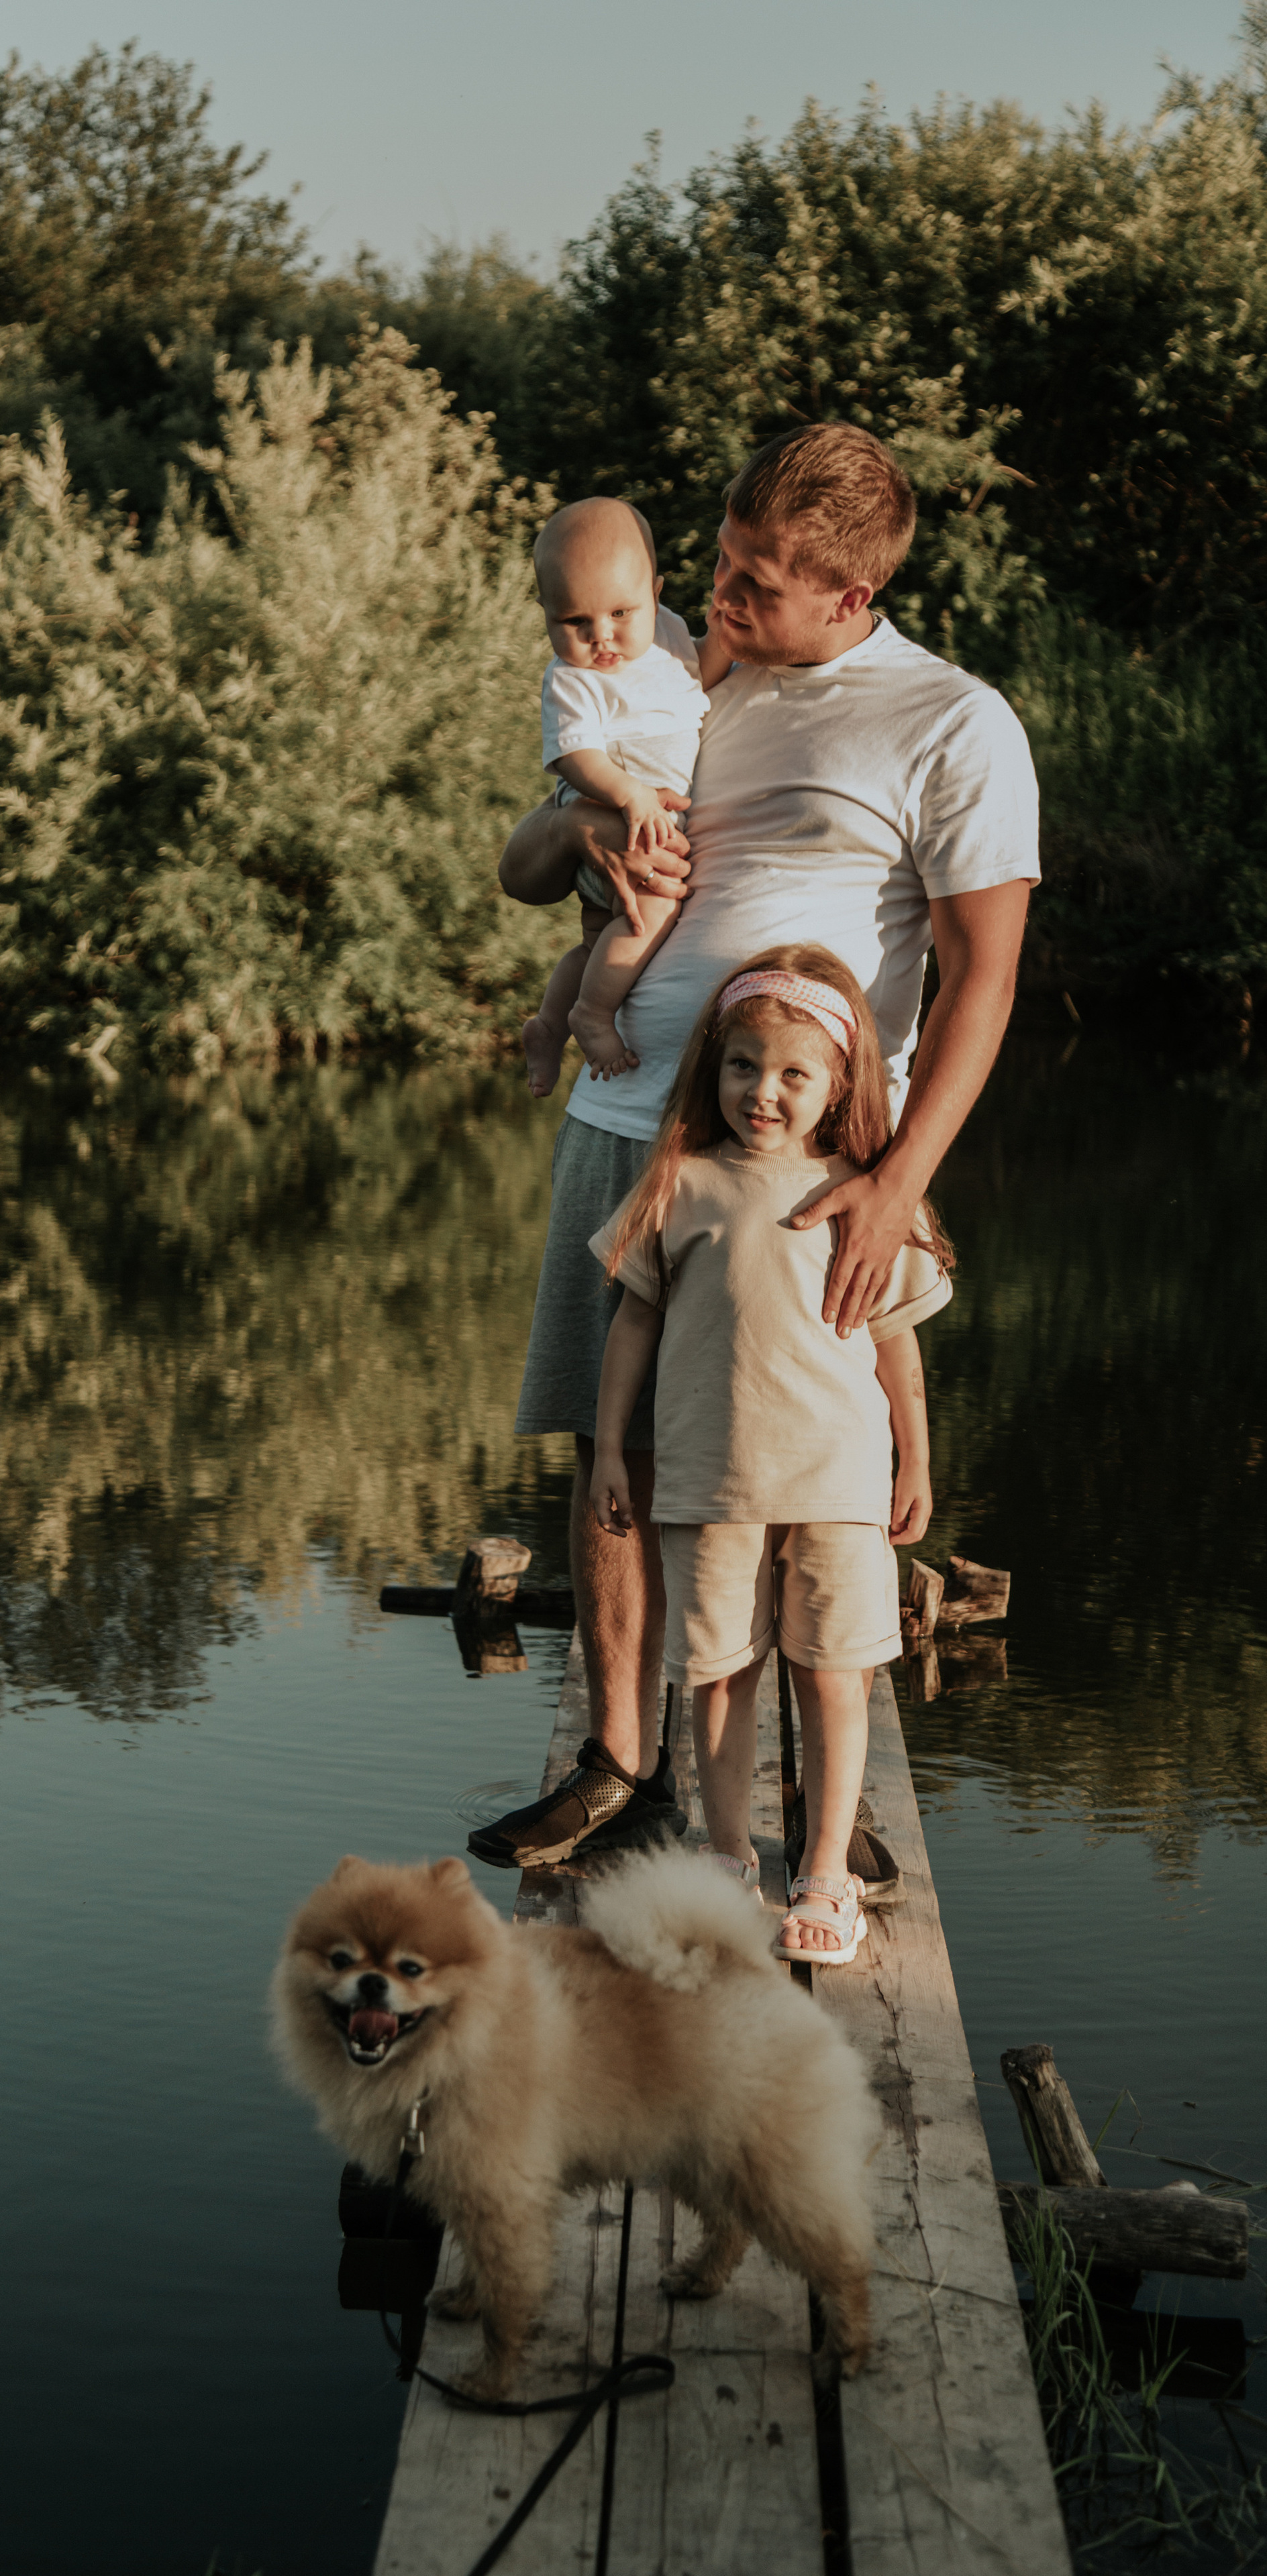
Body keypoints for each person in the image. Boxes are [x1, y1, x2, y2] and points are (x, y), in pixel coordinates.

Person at [468, 423, 1039, 1931]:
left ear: (849, 595)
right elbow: (527, 870)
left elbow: (983, 980)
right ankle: (617, 1763)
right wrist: (587, 814)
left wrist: (898, 1174)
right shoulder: (664, 672)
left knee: (796, 1477)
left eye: (756, 586)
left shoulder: (947, 723)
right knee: (613, 1457)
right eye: (717, 562)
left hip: (807, 1167)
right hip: (626, 1126)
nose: (714, 597)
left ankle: (811, 1818)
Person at [587, 947, 950, 1962]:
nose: (764, 1091)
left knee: (834, 1674)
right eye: (743, 1065)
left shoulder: (872, 1194)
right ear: (715, 1068)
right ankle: (725, 1855)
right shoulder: (682, 1182)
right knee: (718, 1671)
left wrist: (914, 1462)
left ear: (839, 1085)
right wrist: (614, 1449)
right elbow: (631, 1326)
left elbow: (897, 1346)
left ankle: (826, 1871)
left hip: (838, 1481)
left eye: (794, 1073)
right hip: (710, 1481)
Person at [521, 498, 731, 1096]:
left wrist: (722, 639)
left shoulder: (663, 633)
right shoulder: (572, 679)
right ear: (547, 615)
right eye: (575, 623)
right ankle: (593, 1014)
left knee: (597, 939)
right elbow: (573, 755)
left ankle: (548, 1025)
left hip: (641, 822)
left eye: (620, 613)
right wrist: (628, 794)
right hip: (614, 819)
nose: (602, 637)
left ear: (656, 593)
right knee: (655, 908)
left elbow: (696, 678)